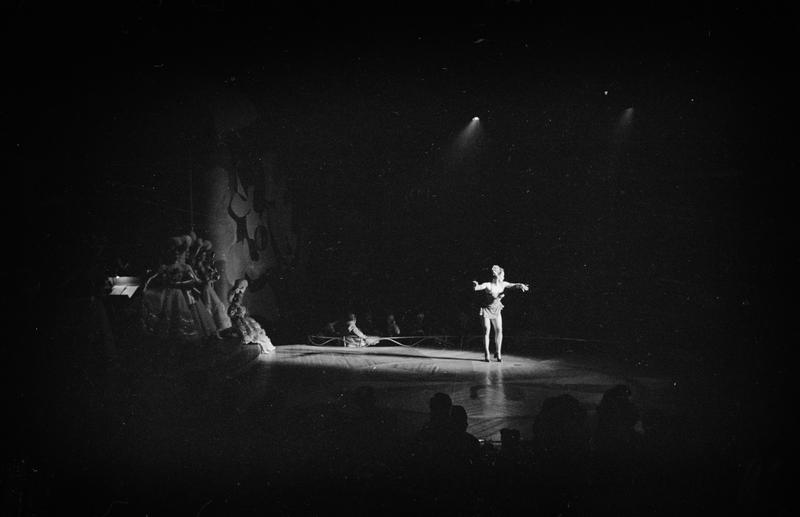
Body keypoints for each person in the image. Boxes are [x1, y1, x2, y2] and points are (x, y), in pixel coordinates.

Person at [140, 234, 218, 344]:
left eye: (177, 253)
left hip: (181, 293)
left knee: (184, 312)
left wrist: (179, 283)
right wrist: (145, 286)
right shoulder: (165, 267)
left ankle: (180, 339)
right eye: (173, 253)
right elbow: (152, 277)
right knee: (168, 313)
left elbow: (194, 280)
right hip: (168, 293)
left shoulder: (185, 267)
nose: (176, 255)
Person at [472, 264, 529, 362]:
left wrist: (521, 285)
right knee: (487, 330)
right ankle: (487, 353)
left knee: (499, 329)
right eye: (502, 275)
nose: (504, 277)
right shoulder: (488, 285)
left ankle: (498, 352)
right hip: (486, 309)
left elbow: (513, 285)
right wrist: (475, 286)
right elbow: (479, 287)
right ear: (497, 275)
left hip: (496, 309)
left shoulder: (503, 284)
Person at [227, 279, 275, 354]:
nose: (242, 291)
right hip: (238, 318)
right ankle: (248, 339)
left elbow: (244, 310)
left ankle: (254, 339)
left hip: (243, 316)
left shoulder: (242, 301)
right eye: (242, 287)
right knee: (244, 328)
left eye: (243, 288)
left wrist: (243, 312)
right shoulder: (234, 299)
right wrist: (237, 313)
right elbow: (231, 311)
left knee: (252, 326)